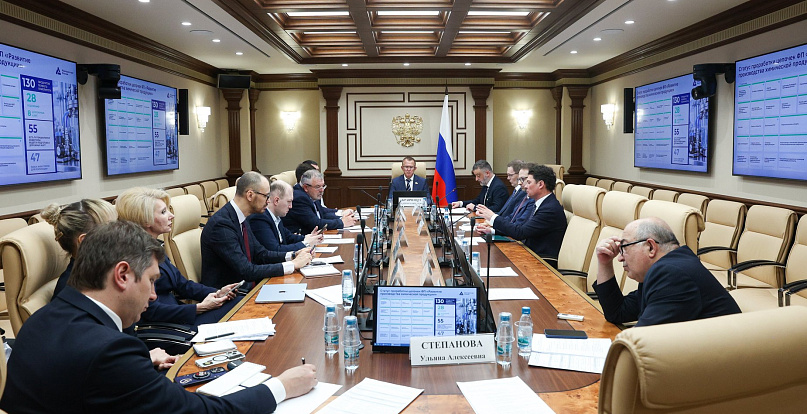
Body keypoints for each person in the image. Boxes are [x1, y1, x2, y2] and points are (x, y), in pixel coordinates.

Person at [0, 220, 317, 413]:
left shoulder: (40, 320)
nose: (154, 295)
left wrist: (138, 362)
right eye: (151, 281)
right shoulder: (109, 352)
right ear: (122, 275)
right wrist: (281, 387)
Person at [116, 187, 240, 327]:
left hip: (180, 314)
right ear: (146, 220)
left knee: (238, 301)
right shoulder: (135, 256)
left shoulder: (155, 246)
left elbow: (183, 285)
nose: (172, 216)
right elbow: (151, 311)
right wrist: (199, 308)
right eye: (163, 212)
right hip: (164, 326)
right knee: (238, 307)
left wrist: (218, 293)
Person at [593, 217, 741, 327]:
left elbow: (643, 341)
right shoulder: (667, 268)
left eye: (624, 248)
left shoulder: (673, 275)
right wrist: (605, 263)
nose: (620, 258)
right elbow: (617, 312)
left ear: (651, 247)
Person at [201, 172, 312, 288]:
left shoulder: (241, 218)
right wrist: (292, 265)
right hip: (232, 294)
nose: (268, 201)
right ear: (250, 195)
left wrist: (293, 255)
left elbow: (261, 254)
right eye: (266, 196)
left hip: (247, 288)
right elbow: (246, 270)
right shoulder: (221, 224)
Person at [476, 164, 566, 268]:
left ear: (541, 184)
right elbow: (520, 227)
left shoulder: (549, 209)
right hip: (528, 254)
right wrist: (492, 231)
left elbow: (521, 232)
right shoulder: (541, 203)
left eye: (529, 182)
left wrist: (492, 217)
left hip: (541, 262)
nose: (525, 186)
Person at [43, 199, 118, 300]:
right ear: (85, 241)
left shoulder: (105, 271)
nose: (120, 234)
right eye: (111, 229)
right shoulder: (72, 291)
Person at [249, 180, 324, 252]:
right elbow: (275, 250)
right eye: (289, 202)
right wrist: (306, 243)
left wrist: (309, 237)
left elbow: (288, 237)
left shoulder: (276, 216)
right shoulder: (260, 218)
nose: (291, 206)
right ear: (276, 201)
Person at [283, 169, 356, 234]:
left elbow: (322, 213)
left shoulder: (311, 195)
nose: (322, 190)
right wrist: (342, 222)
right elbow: (315, 224)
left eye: (323, 186)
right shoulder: (299, 198)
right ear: (306, 187)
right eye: (317, 187)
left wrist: (341, 216)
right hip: (299, 238)